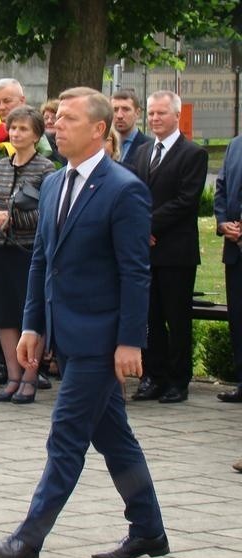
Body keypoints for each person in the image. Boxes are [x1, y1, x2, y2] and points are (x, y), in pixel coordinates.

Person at [0, 87, 168, 558]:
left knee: (65, 437)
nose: (56, 126)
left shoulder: (124, 189)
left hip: (101, 338)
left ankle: (28, 540)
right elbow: (43, 261)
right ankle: (148, 528)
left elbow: (135, 272)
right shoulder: (56, 183)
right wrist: (32, 325)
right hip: (65, 330)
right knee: (115, 438)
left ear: (99, 130)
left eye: (67, 119)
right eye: (56, 118)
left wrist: (131, 340)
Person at [130, 90, 208, 404]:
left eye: (161, 113)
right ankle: (153, 375)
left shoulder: (193, 154)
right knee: (150, 317)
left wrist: (147, 225)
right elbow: (133, 192)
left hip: (176, 251)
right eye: (150, 113)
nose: (155, 119)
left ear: (176, 115)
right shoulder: (143, 152)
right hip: (145, 251)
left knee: (176, 318)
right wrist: (137, 226)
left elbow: (186, 201)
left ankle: (178, 380)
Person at [0, 106, 55, 405]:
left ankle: (30, 377)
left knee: (30, 315)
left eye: (23, 129)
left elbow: (46, 212)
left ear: (36, 134)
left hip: (29, 252)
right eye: (13, 128)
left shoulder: (46, 169)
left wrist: (14, 218)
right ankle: (12, 376)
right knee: (4, 315)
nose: (16, 133)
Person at [213, 135, 242, 404]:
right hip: (236, 250)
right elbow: (221, 187)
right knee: (238, 318)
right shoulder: (235, 145)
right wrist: (223, 222)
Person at [111, 89, 152, 165]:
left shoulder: (150, 147)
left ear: (137, 113)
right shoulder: (101, 146)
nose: (119, 115)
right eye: (115, 110)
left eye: (126, 109)